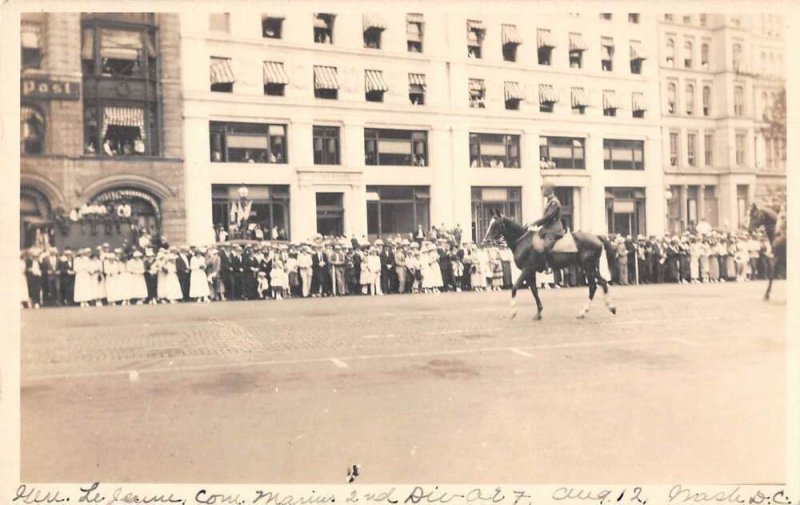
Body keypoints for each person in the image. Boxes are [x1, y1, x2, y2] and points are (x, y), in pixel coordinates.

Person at [527, 183, 565, 264]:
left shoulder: (554, 202)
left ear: (548, 190)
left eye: (543, 189)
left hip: (554, 229)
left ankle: (550, 265)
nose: (542, 191)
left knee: (546, 246)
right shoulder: (550, 201)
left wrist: (534, 223)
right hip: (547, 228)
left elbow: (548, 217)